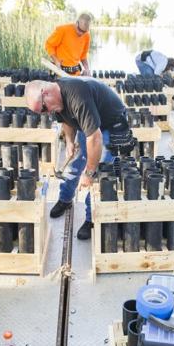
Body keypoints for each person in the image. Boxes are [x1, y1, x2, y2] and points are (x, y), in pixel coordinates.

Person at [24, 78, 130, 240]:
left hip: (111, 125)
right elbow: (65, 119)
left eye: (44, 109)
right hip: (91, 124)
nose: (47, 113)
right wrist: (69, 142)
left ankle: (90, 218)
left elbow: (95, 138)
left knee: (100, 173)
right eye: (42, 113)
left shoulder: (78, 96)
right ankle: (66, 199)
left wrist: (89, 173)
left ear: (46, 93)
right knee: (76, 163)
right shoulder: (56, 100)